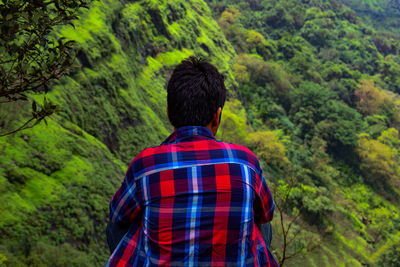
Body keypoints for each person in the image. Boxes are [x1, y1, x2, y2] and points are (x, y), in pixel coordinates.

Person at [105, 57, 278, 266]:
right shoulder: (245, 163)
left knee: (121, 222)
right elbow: (267, 213)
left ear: (169, 113)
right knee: (259, 221)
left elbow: (117, 215)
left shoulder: (146, 165)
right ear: (217, 116)